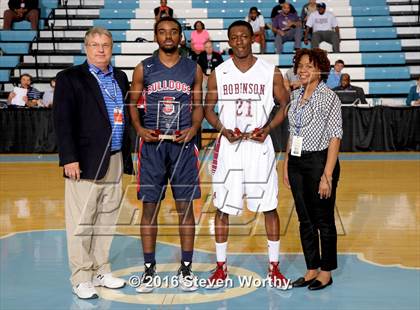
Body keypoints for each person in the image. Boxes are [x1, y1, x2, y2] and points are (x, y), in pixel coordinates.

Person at [204, 20, 291, 289]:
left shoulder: (270, 70)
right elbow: (208, 110)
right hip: (230, 148)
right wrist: (222, 129)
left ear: (252, 38)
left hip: (258, 147)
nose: (240, 41)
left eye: (244, 36)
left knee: (269, 206)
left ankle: (274, 267)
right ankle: (221, 268)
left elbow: (285, 104)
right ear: (229, 41)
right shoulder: (220, 72)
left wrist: (267, 129)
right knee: (222, 208)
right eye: (234, 37)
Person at [53, 27, 134, 299]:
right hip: (85, 160)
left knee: (106, 220)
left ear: (112, 48)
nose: (100, 50)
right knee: (81, 222)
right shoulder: (70, 78)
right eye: (95, 45)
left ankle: (101, 270)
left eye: (105, 45)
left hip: (114, 157)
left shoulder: (121, 77)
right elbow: (62, 121)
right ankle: (81, 276)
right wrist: (69, 158)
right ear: (86, 48)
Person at [128, 16, 203, 293]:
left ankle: (186, 268)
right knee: (149, 208)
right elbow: (132, 103)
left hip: (183, 145)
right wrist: (139, 128)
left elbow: (198, 104)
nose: (168, 36)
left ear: (181, 37)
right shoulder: (143, 67)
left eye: (173, 32)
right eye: (162, 32)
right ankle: (149, 269)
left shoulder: (193, 68)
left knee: (186, 210)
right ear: (155, 36)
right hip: (152, 146)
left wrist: (195, 127)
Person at [283, 48, 342, 291]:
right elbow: (291, 133)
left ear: (321, 69)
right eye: (301, 65)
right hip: (296, 163)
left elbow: (335, 137)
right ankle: (311, 269)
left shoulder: (329, 97)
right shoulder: (295, 97)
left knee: (324, 220)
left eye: (310, 65)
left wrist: (327, 175)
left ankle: (326, 272)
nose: (303, 70)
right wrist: (286, 165)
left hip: (320, 162)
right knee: (304, 219)